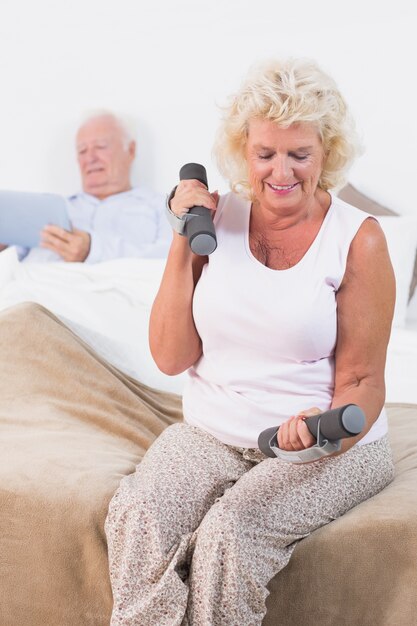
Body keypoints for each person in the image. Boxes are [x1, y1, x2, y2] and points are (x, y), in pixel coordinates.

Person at [104, 58, 396, 625]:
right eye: (265, 154)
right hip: (213, 429)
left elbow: (363, 382)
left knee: (227, 536)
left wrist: (322, 427)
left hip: (326, 442)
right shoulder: (216, 221)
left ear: (327, 153)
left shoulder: (358, 240)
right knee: (138, 512)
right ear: (244, 152)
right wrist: (182, 241)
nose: (280, 172)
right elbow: (170, 357)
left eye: (299, 154)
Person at [16, 111, 171, 263]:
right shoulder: (50, 208)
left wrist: (93, 250)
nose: (90, 158)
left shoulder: (163, 208)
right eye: (82, 150)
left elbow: (172, 263)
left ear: (130, 150)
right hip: (30, 284)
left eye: (101, 147)